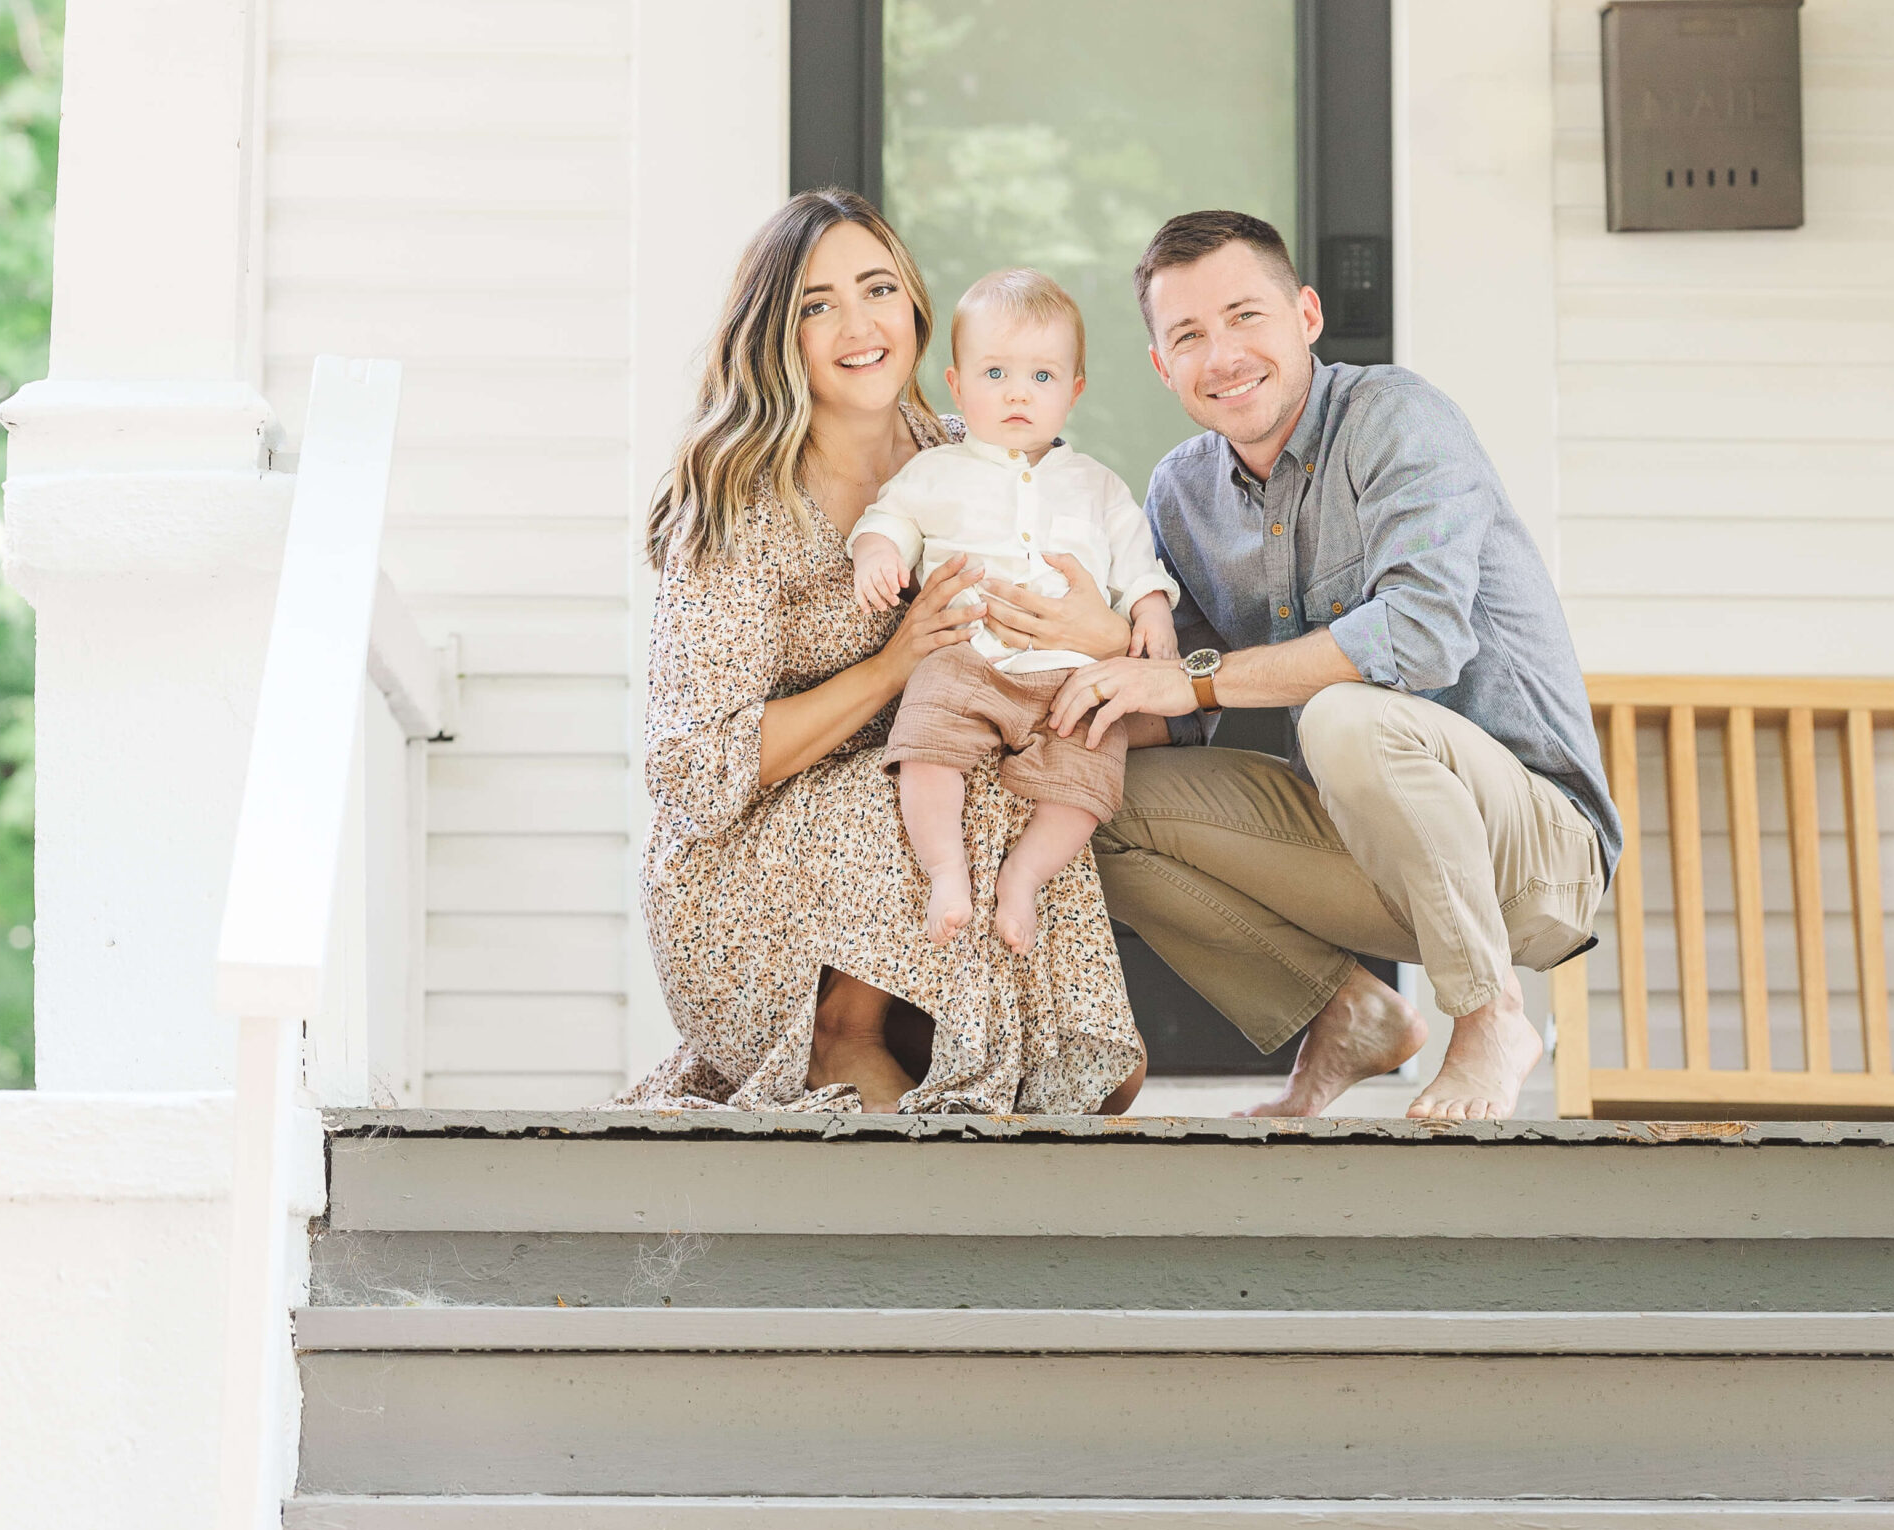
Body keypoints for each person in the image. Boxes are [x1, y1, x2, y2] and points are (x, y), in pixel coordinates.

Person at [1050, 209, 1620, 1123]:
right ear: (1162, 367)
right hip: (1366, 851)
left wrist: (1192, 678)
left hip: (1532, 849)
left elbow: (1421, 636)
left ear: (1306, 316)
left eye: (1245, 316)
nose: (1222, 354)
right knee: (1085, 802)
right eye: (1188, 335)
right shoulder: (1181, 493)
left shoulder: (1398, 419)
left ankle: (1488, 1017)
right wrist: (1083, 666)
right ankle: (1348, 1010)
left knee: (1343, 712)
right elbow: (1181, 701)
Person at [613, 190, 1144, 1118]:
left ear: (916, 310)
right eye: (816, 306)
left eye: (877, 290)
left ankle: (1015, 1034)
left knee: (1101, 1071)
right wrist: (890, 668)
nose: (857, 326)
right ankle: (838, 1039)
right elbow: (688, 772)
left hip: (921, 848)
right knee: (923, 762)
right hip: (743, 879)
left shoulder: (965, 453)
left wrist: (1104, 633)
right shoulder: (734, 502)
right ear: (775, 333)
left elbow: (1089, 615)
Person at [847, 267, 1180, 954]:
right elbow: (891, 518)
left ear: (1074, 391)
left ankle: (1023, 878)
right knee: (924, 750)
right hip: (965, 658)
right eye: (994, 374)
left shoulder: (1097, 485)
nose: (1017, 394)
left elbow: (1135, 563)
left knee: (1088, 778)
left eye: (1041, 377)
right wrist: (877, 554)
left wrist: (1152, 611)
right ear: (957, 386)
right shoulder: (935, 471)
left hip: (1071, 678)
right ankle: (946, 872)